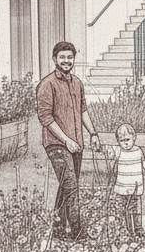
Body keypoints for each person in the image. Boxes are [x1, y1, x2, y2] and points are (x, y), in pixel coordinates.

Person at [37, 41, 99, 241]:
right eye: (62, 57)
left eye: (69, 57)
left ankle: (57, 230)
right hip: (57, 144)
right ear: (55, 59)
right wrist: (66, 140)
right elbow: (45, 118)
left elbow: (83, 111)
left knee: (67, 186)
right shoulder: (47, 84)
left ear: (74, 60)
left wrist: (93, 133)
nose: (66, 61)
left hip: (77, 144)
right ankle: (78, 233)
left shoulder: (77, 83)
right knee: (71, 187)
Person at [103, 122, 145, 236]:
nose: (125, 143)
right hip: (123, 187)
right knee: (124, 210)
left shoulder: (138, 151)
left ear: (134, 138)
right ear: (118, 141)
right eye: (122, 140)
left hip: (135, 187)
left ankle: (138, 229)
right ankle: (128, 230)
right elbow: (106, 149)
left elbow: (144, 163)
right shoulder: (118, 151)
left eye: (127, 139)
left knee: (136, 210)